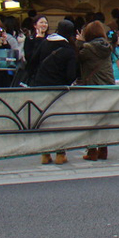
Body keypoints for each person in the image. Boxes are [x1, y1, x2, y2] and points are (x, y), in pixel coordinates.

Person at [31, 20, 80, 165]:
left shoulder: (44, 43)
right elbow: (71, 75)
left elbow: (32, 62)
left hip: (41, 87)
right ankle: (60, 153)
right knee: (59, 121)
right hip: (59, 90)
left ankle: (45, 154)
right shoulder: (68, 50)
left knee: (44, 120)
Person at [76, 21, 113, 161]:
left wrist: (79, 42)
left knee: (91, 119)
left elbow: (79, 58)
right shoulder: (107, 46)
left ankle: (92, 151)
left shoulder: (87, 48)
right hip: (108, 87)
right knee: (104, 119)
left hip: (93, 87)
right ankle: (103, 150)